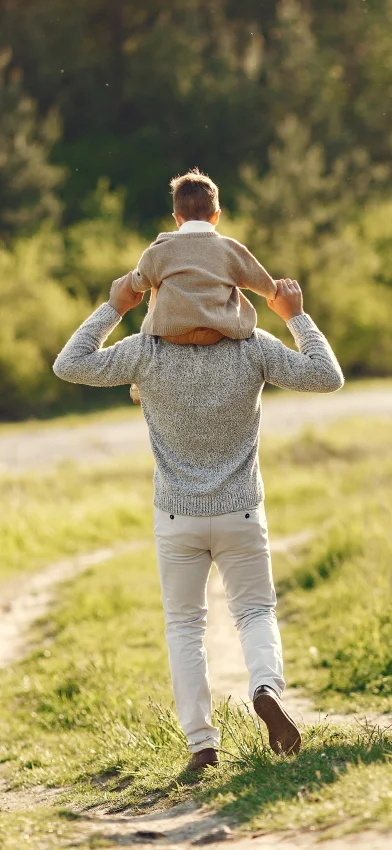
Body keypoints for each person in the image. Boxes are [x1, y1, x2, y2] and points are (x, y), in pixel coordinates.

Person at [53, 273, 344, 770]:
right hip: (241, 510)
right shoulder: (253, 347)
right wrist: (295, 314)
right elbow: (327, 376)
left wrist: (114, 308)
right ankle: (265, 687)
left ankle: (202, 747)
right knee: (255, 612)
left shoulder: (146, 351)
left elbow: (68, 365)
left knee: (185, 627)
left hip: (177, 516)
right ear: (231, 296)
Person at [128, 168, 278, 404]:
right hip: (218, 331)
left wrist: (130, 283)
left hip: (171, 332)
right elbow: (262, 282)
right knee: (230, 288)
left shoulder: (158, 251)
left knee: (158, 289)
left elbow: (140, 282)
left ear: (176, 218)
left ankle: (139, 379)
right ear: (217, 216)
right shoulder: (230, 249)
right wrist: (274, 294)